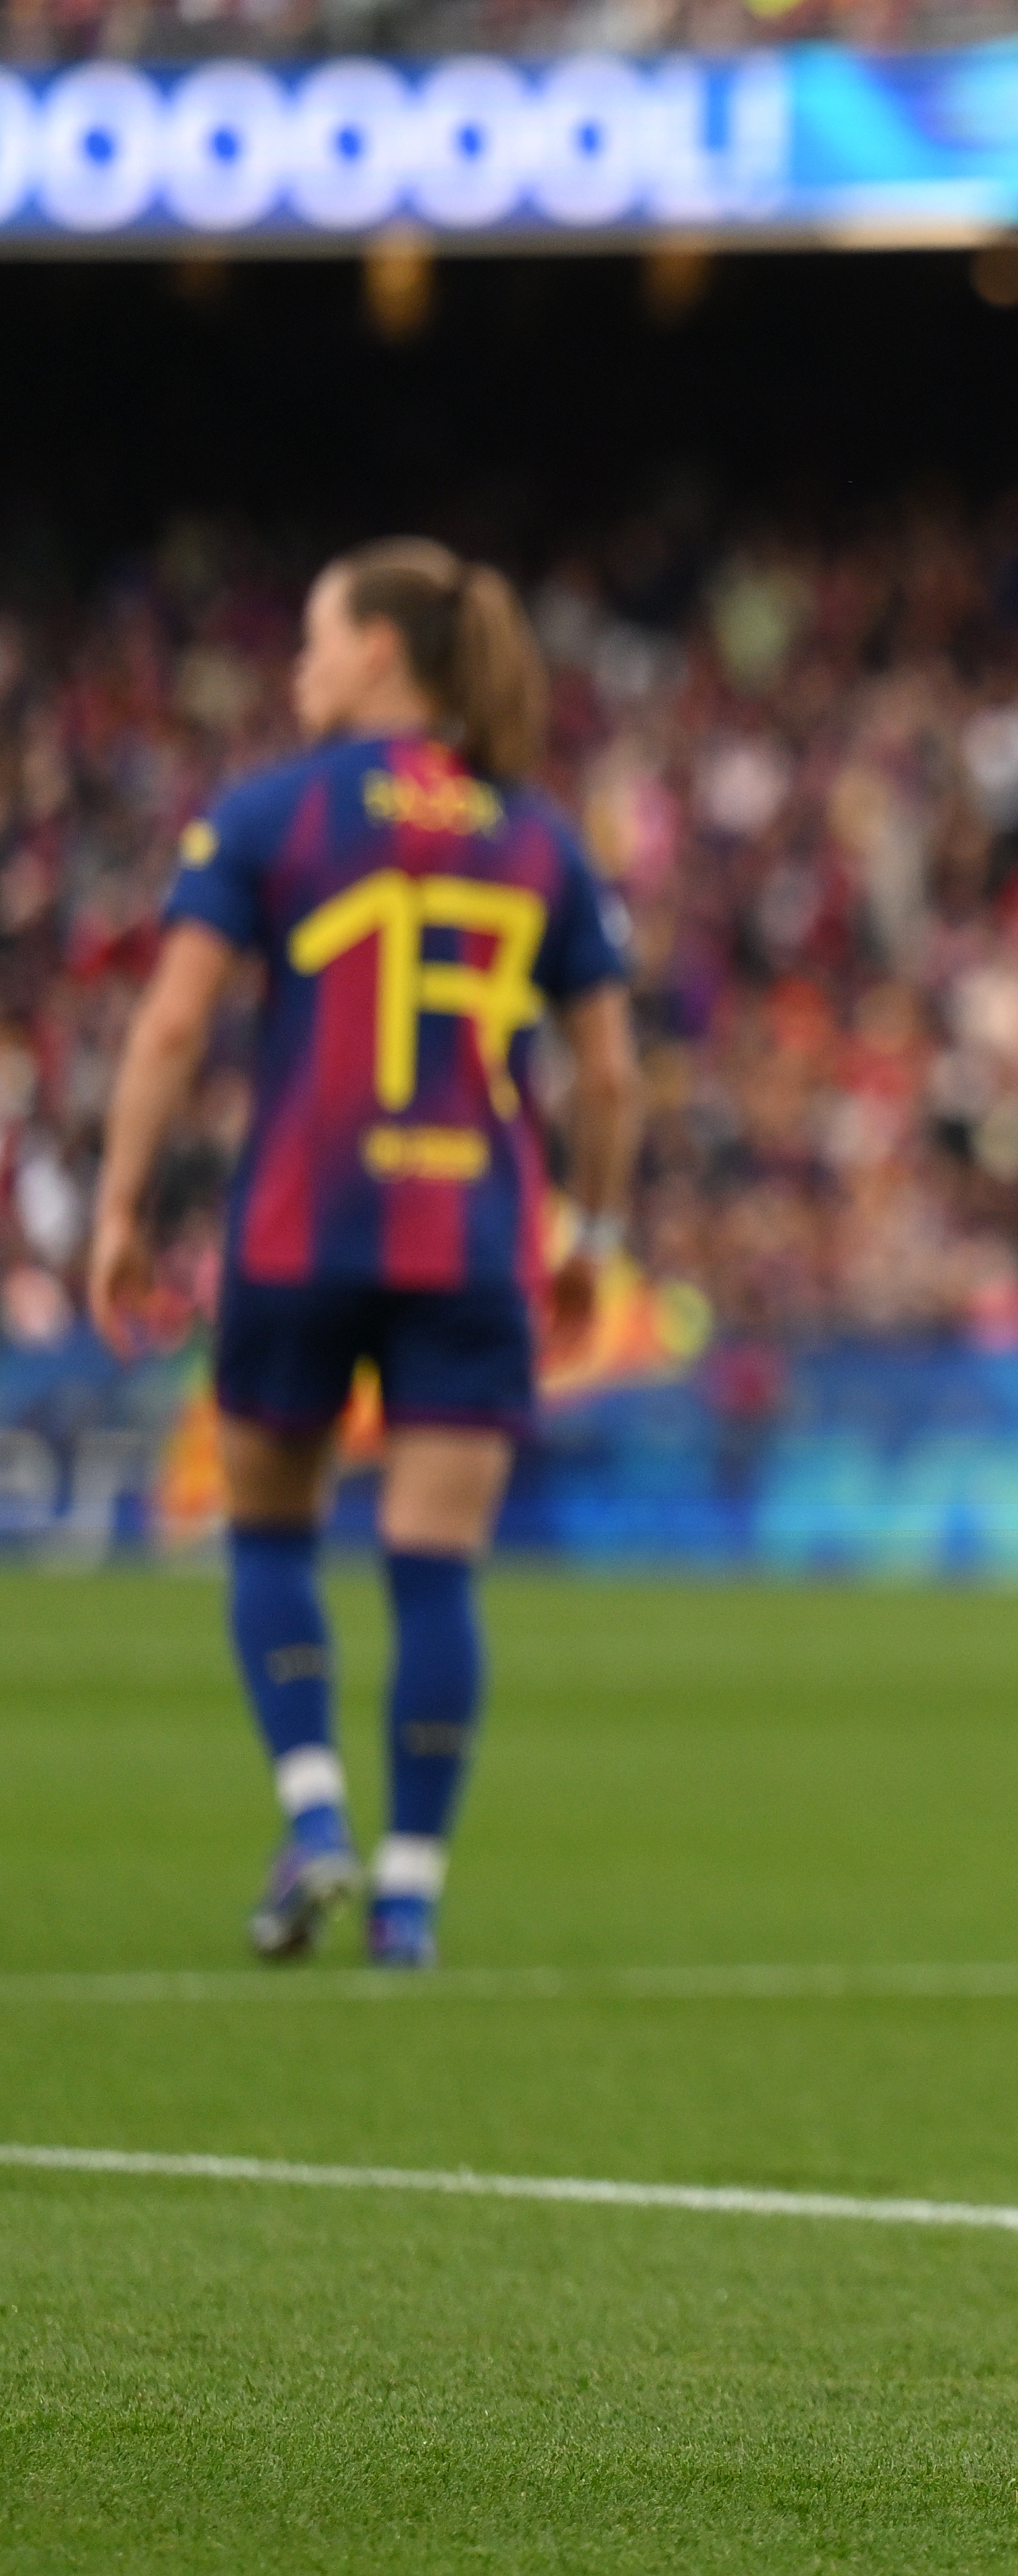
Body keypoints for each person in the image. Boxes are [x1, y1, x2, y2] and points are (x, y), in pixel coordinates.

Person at [87, 541, 639, 1970]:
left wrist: (121, 1208)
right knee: (435, 1570)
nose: (298, 666)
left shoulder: (273, 814)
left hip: (300, 1228)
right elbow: (615, 1078)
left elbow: (167, 1026)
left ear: (383, 653)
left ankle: (314, 1809)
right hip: (472, 1237)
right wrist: (596, 1229)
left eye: (317, 638)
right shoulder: (539, 835)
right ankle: (409, 1895)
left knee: (271, 1529)